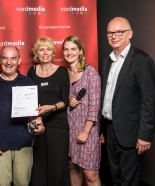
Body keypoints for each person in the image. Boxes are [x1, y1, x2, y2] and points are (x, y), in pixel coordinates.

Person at [100, 17, 155, 186]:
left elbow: (149, 100)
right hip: (110, 131)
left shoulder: (142, 60)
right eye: (110, 32)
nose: (114, 36)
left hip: (132, 134)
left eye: (119, 32)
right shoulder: (106, 61)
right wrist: (103, 128)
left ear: (130, 34)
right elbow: (107, 96)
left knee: (129, 181)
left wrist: (145, 136)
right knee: (114, 177)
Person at [0, 45, 44, 186]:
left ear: (19, 61)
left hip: (23, 144)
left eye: (13, 58)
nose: (8, 62)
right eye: (5, 58)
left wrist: (38, 125)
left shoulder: (27, 82)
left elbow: (32, 115)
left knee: (22, 183)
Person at [27, 37, 70, 186]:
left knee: (57, 167)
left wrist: (50, 107)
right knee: (38, 166)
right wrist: (36, 118)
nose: (45, 52)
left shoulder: (62, 72)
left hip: (58, 125)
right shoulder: (32, 71)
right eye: (41, 49)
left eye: (48, 49)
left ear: (53, 53)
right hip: (38, 124)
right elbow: (28, 97)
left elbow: (65, 101)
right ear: (36, 53)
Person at [63, 36, 101, 186]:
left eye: (73, 49)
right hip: (69, 129)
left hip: (87, 130)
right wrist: (68, 98)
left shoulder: (90, 73)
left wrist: (86, 131)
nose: (69, 52)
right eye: (66, 49)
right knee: (72, 167)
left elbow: (94, 106)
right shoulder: (64, 74)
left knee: (90, 174)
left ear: (80, 51)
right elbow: (60, 96)